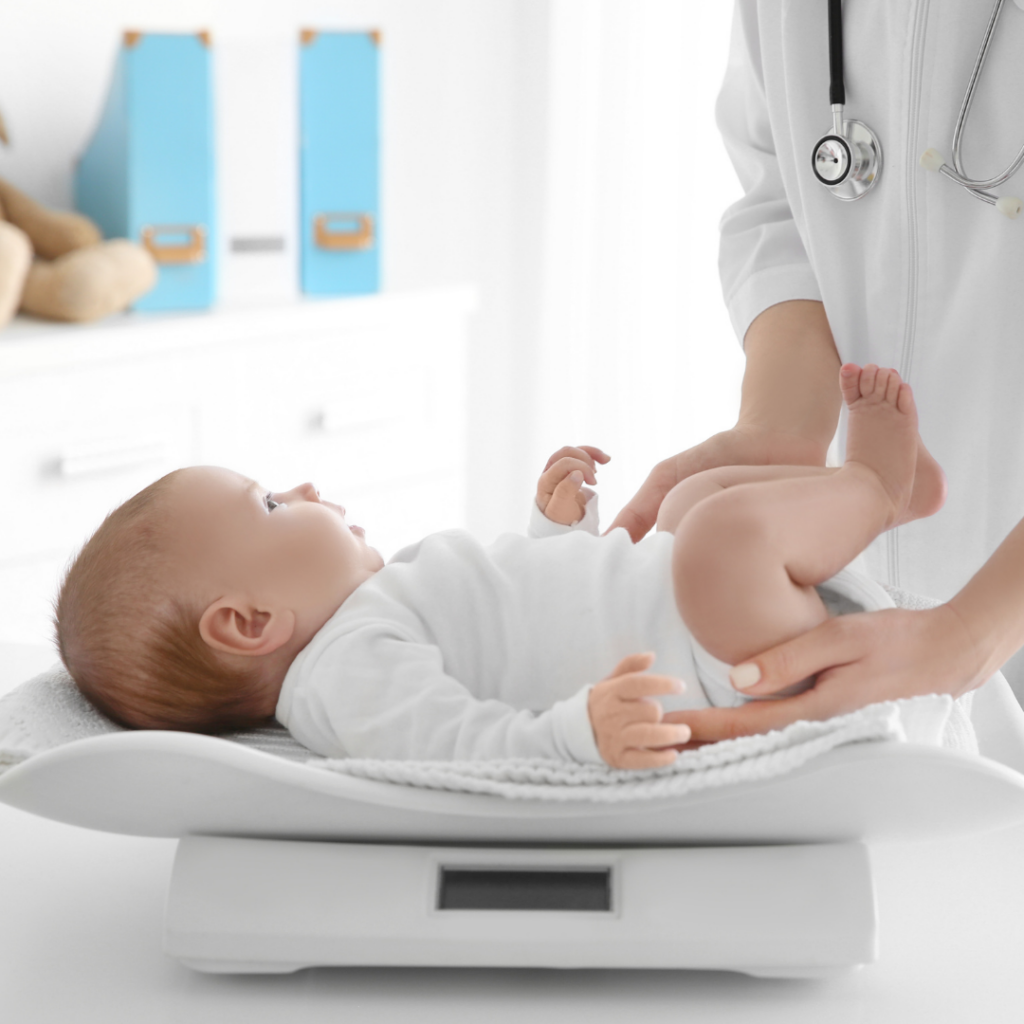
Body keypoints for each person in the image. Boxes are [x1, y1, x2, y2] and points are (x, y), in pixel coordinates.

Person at [55, 363, 953, 768]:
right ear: (249, 624)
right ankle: (872, 484)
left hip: (692, 613)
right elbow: (465, 748)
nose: (304, 484)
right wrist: (576, 735)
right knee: (718, 538)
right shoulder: (344, 680)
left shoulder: (371, 608)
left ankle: (860, 508)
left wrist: (555, 531)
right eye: (270, 504)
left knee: (693, 509)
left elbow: (525, 626)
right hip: (724, 667)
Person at [608, 1, 1024, 741]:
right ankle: (873, 489)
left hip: (983, 605)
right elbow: (783, 203)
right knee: (701, 523)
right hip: (860, 592)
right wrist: (782, 421)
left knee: (709, 540)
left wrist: (980, 626)